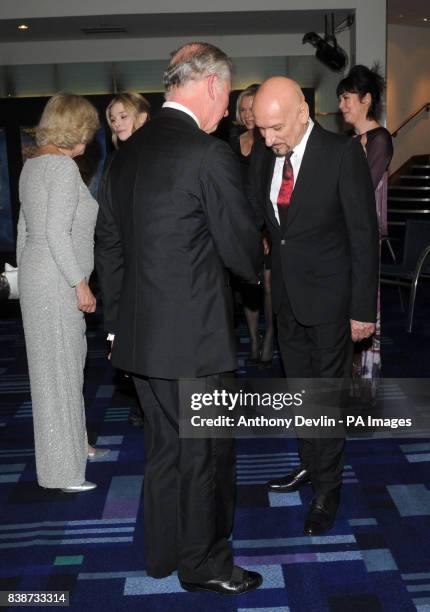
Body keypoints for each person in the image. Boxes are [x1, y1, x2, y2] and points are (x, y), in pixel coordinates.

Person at [95, 42, 263, 594]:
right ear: (212, 85)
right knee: (208, 458)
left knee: (166, 450)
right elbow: (242, 253)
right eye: (230, 93)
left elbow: (110, 250)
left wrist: (115, 327)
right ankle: (206, 566)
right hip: (196, 345)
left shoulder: (126, 155)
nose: (228, 105)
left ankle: (162, 555)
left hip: (139, 342)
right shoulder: (207, 154)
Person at [249, 77, 379, 535]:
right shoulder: (266, 154)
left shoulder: (343, 155)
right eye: (262, 129)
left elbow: (364, 237)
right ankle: (309, 464)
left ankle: (328, 488)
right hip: (285, 300)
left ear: (304, 112)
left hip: (332, 303)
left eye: (276, 128)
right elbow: (263, 224)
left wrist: (364, 310)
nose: (268, 139)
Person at [17, 92, 102, 493]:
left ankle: (75, 444)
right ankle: (64, 472)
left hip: (37, 277)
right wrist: (80, 284)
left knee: (55, 368)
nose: (88, 143)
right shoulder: (63, 170)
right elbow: (55, 233)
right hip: (57, 278)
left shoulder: (31, 166)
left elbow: (24, 233)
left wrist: (23, 283)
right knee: (62, 370)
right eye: (86, 133)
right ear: (74, 130)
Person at [337, 65, 394, 403]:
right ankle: (348, 384)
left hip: (362, 238)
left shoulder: (379, 139)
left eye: (346, 98)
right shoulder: (350, 142)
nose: (342, 105)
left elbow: (361, 190)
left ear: (365, 99)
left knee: (364, 312)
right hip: (341, 236)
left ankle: (365, 391)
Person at [102, 92, 151, 428]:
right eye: (113, 119)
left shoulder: (153, 156)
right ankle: (145, 405)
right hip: (123, 262)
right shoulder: (116, 162)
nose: (117, 123)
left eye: (123, 116)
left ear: (141, 117)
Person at [230, 84, 274, 367]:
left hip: (267, 225)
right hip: (242, 224)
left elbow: (274, 188)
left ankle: (270, 336)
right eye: (243, 109)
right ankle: (254, 339)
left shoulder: (271, 141)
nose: (247, 114)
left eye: (252, 108)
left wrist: (266, 229)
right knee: (249, 283)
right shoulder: (234, 141)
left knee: (269, 286)